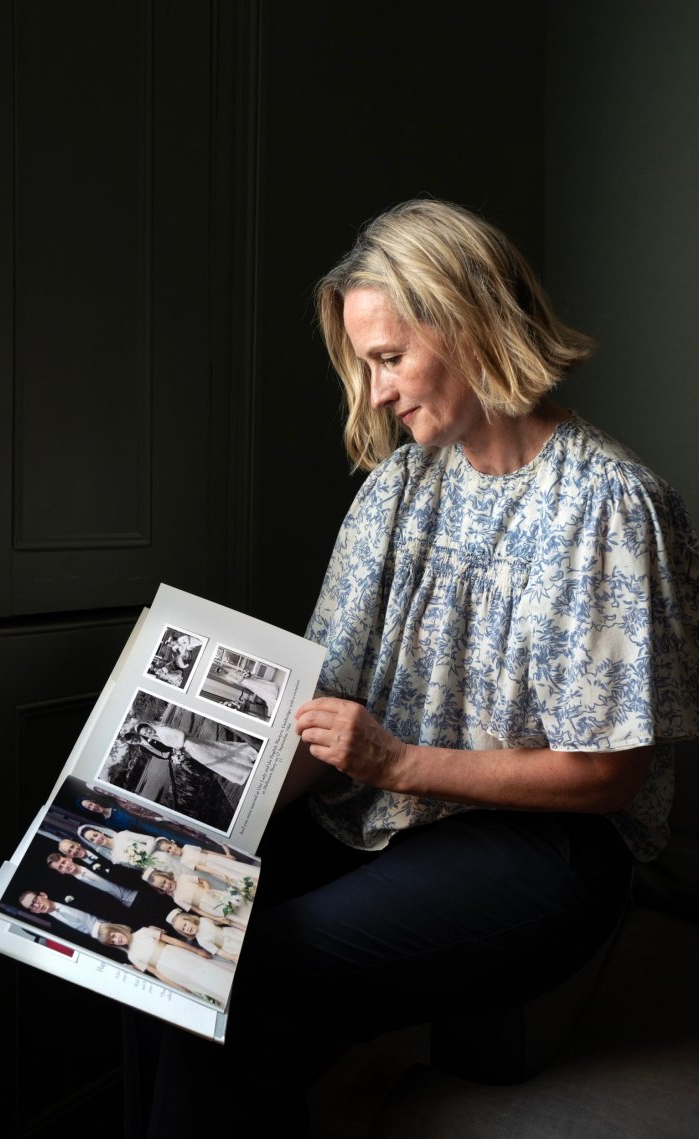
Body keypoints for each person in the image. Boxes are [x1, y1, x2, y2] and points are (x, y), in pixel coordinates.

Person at [125, 197, 699, 1138]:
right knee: (155, 935)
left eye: (389, 358)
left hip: (538, 849)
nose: (379, 391)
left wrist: (397, 763)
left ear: (470, 321)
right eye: (367, 365)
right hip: (373, 815)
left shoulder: (612, 509)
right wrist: (195, 819)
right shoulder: (396, 490)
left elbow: (609, 776)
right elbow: (329, 703)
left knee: (236, 967)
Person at [95, 921, 234, 1008]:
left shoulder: (143, 931)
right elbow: (156, 972)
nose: (116, 940)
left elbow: (173, 941)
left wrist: (196, 950)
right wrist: (178, 987)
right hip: (171, 972)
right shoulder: (131, 956)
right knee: (200, 984)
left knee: (210, 970)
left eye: (113, 935)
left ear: (116, 928)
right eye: (112, 942)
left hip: (178, 955)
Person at [129, 720, 258, 785]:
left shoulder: (162, 730)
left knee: (215, 755)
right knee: (213, 758)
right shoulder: (156, 735)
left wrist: (178, 748)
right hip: (189, 749)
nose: (148, 733)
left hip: (190, 745)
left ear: (149, 726)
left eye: (147, 730)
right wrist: (176, 754)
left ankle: (243, 766)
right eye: (145, 734)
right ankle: (240, 769)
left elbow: (180, 734)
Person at [142, 867, 252, 930]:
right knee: (232, 917)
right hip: (209, 908)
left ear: (166, 876)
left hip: (214, 896)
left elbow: (203, 880)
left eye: (165, 881)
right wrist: (215, 918)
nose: (166, 886)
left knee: (239, 906)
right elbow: (197, 910)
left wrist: (207, 889)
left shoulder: (183, 878)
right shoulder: (177, 899)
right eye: (162, 886)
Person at [46, 851, 139, 907]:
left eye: (64, 862)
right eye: (60, 867)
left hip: (138, 892)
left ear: (69, 858)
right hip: (128, 909)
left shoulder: (93, 862)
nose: (65, 866)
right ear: (61, 872)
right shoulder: (77, 890)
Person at [165, 906, 245, 964]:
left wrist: (223, 920)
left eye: (185, 924)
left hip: (232, 934)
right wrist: (232, 957)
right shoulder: (201, 941)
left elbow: (217, 922)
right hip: (228, 947)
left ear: (189, 919)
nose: (186, 929)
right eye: (183, 929)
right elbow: (218, 951)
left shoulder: (203, 920)